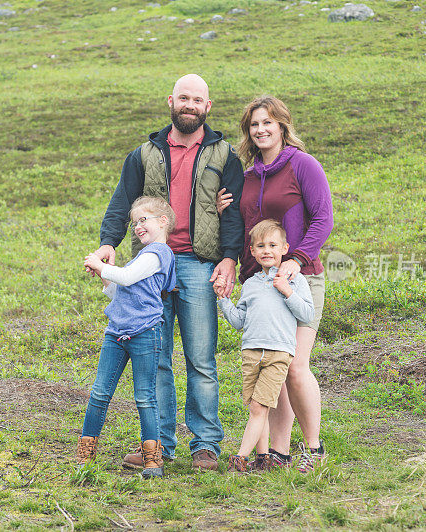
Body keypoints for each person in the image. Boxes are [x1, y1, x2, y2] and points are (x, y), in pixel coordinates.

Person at [91, 74, 245, 471]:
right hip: (151, 265)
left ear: (208, 107)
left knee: (201, 358)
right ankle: (158, 445)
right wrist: (109, 242)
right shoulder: (144, 154)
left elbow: (235, 215)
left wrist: (229, 258)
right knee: (155, 358)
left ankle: (206, 444)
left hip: (198, 263)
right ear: (171, 102)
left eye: (197, 99)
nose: (190, 105)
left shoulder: (225, 155)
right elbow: (121, 202)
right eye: (183, 98)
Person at [216, 96, 333, 473]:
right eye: (254, 124)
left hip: (301, 278)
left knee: (296, 367)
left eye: (268, 122)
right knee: (275, 369)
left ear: (282, 125)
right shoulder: (247, 177)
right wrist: (224, 210)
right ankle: (278, 454)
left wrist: (295, 260)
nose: (261, 130)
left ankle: (313, 449)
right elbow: (241, 224)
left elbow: (323, 219)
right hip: (258, 285)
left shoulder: (303, 165)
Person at [78, 196, 177, 478]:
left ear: (163, 221)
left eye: (143, 219)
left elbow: (129, 277)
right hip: (117, 332)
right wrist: (104, 277)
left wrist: (99, 264)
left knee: (145, 396)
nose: (138, 227)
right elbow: (121, 289)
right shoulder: (142, 255)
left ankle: (153, 460)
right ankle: (86, 453)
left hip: (146, 333)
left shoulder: (159, 253)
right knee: (99, 392)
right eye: (135, 223)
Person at [215, 219, 313, 473]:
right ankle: (263, 458)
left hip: (278, 352)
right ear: (252, 251)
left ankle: (240, 457)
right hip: (251, 352)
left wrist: (287, 291)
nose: (267, 250)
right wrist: (223, 299)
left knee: (260, 406)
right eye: (260, 246)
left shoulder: (294, 279)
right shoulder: (251, 284)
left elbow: (307, 314)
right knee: (256, 407)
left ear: (284, 248)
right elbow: (239, 322)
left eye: (272, 245)